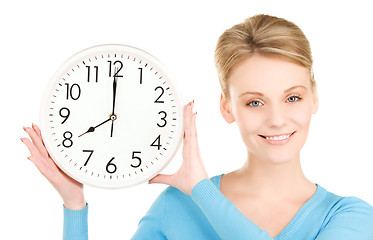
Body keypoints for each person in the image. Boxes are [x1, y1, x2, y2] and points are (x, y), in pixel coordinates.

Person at [21, 14, 373, 239]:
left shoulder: (351, 218)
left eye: (292, 97)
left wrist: (203, 192)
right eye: (254, 101)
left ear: (314, 97)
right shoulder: (175, 207)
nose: (277, 118)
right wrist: (74, 206)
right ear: (227, 107)